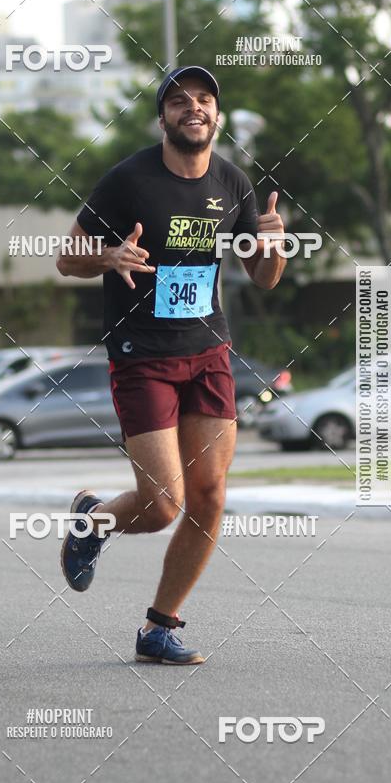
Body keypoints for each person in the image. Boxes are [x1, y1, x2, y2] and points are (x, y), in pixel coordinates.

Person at [56, 65, 286, 664]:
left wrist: (272, 249)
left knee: (209, 496)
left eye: (205, 99)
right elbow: (66, 258)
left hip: (208, 352)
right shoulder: (127, 180)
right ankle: (92, 522)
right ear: (163, 117)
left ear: (216, 114)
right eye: (179, 101)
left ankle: (160, 627)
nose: (194, 108)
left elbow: (261, 280)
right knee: (161, 506)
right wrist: (108, 256)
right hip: (142, 356)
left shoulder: (233, 182)